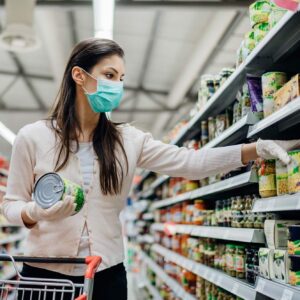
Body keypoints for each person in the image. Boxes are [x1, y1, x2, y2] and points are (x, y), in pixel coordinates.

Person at [1, 38, 299, 300]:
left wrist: (255, 149)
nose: (117, 85)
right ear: (79, 75)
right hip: (45, 277)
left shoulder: (128, 140)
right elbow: (11, 205)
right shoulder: (33, 137)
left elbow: (190, 163)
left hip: (106, 274)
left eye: (121, 78)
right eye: (108, 75)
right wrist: (35, 213)